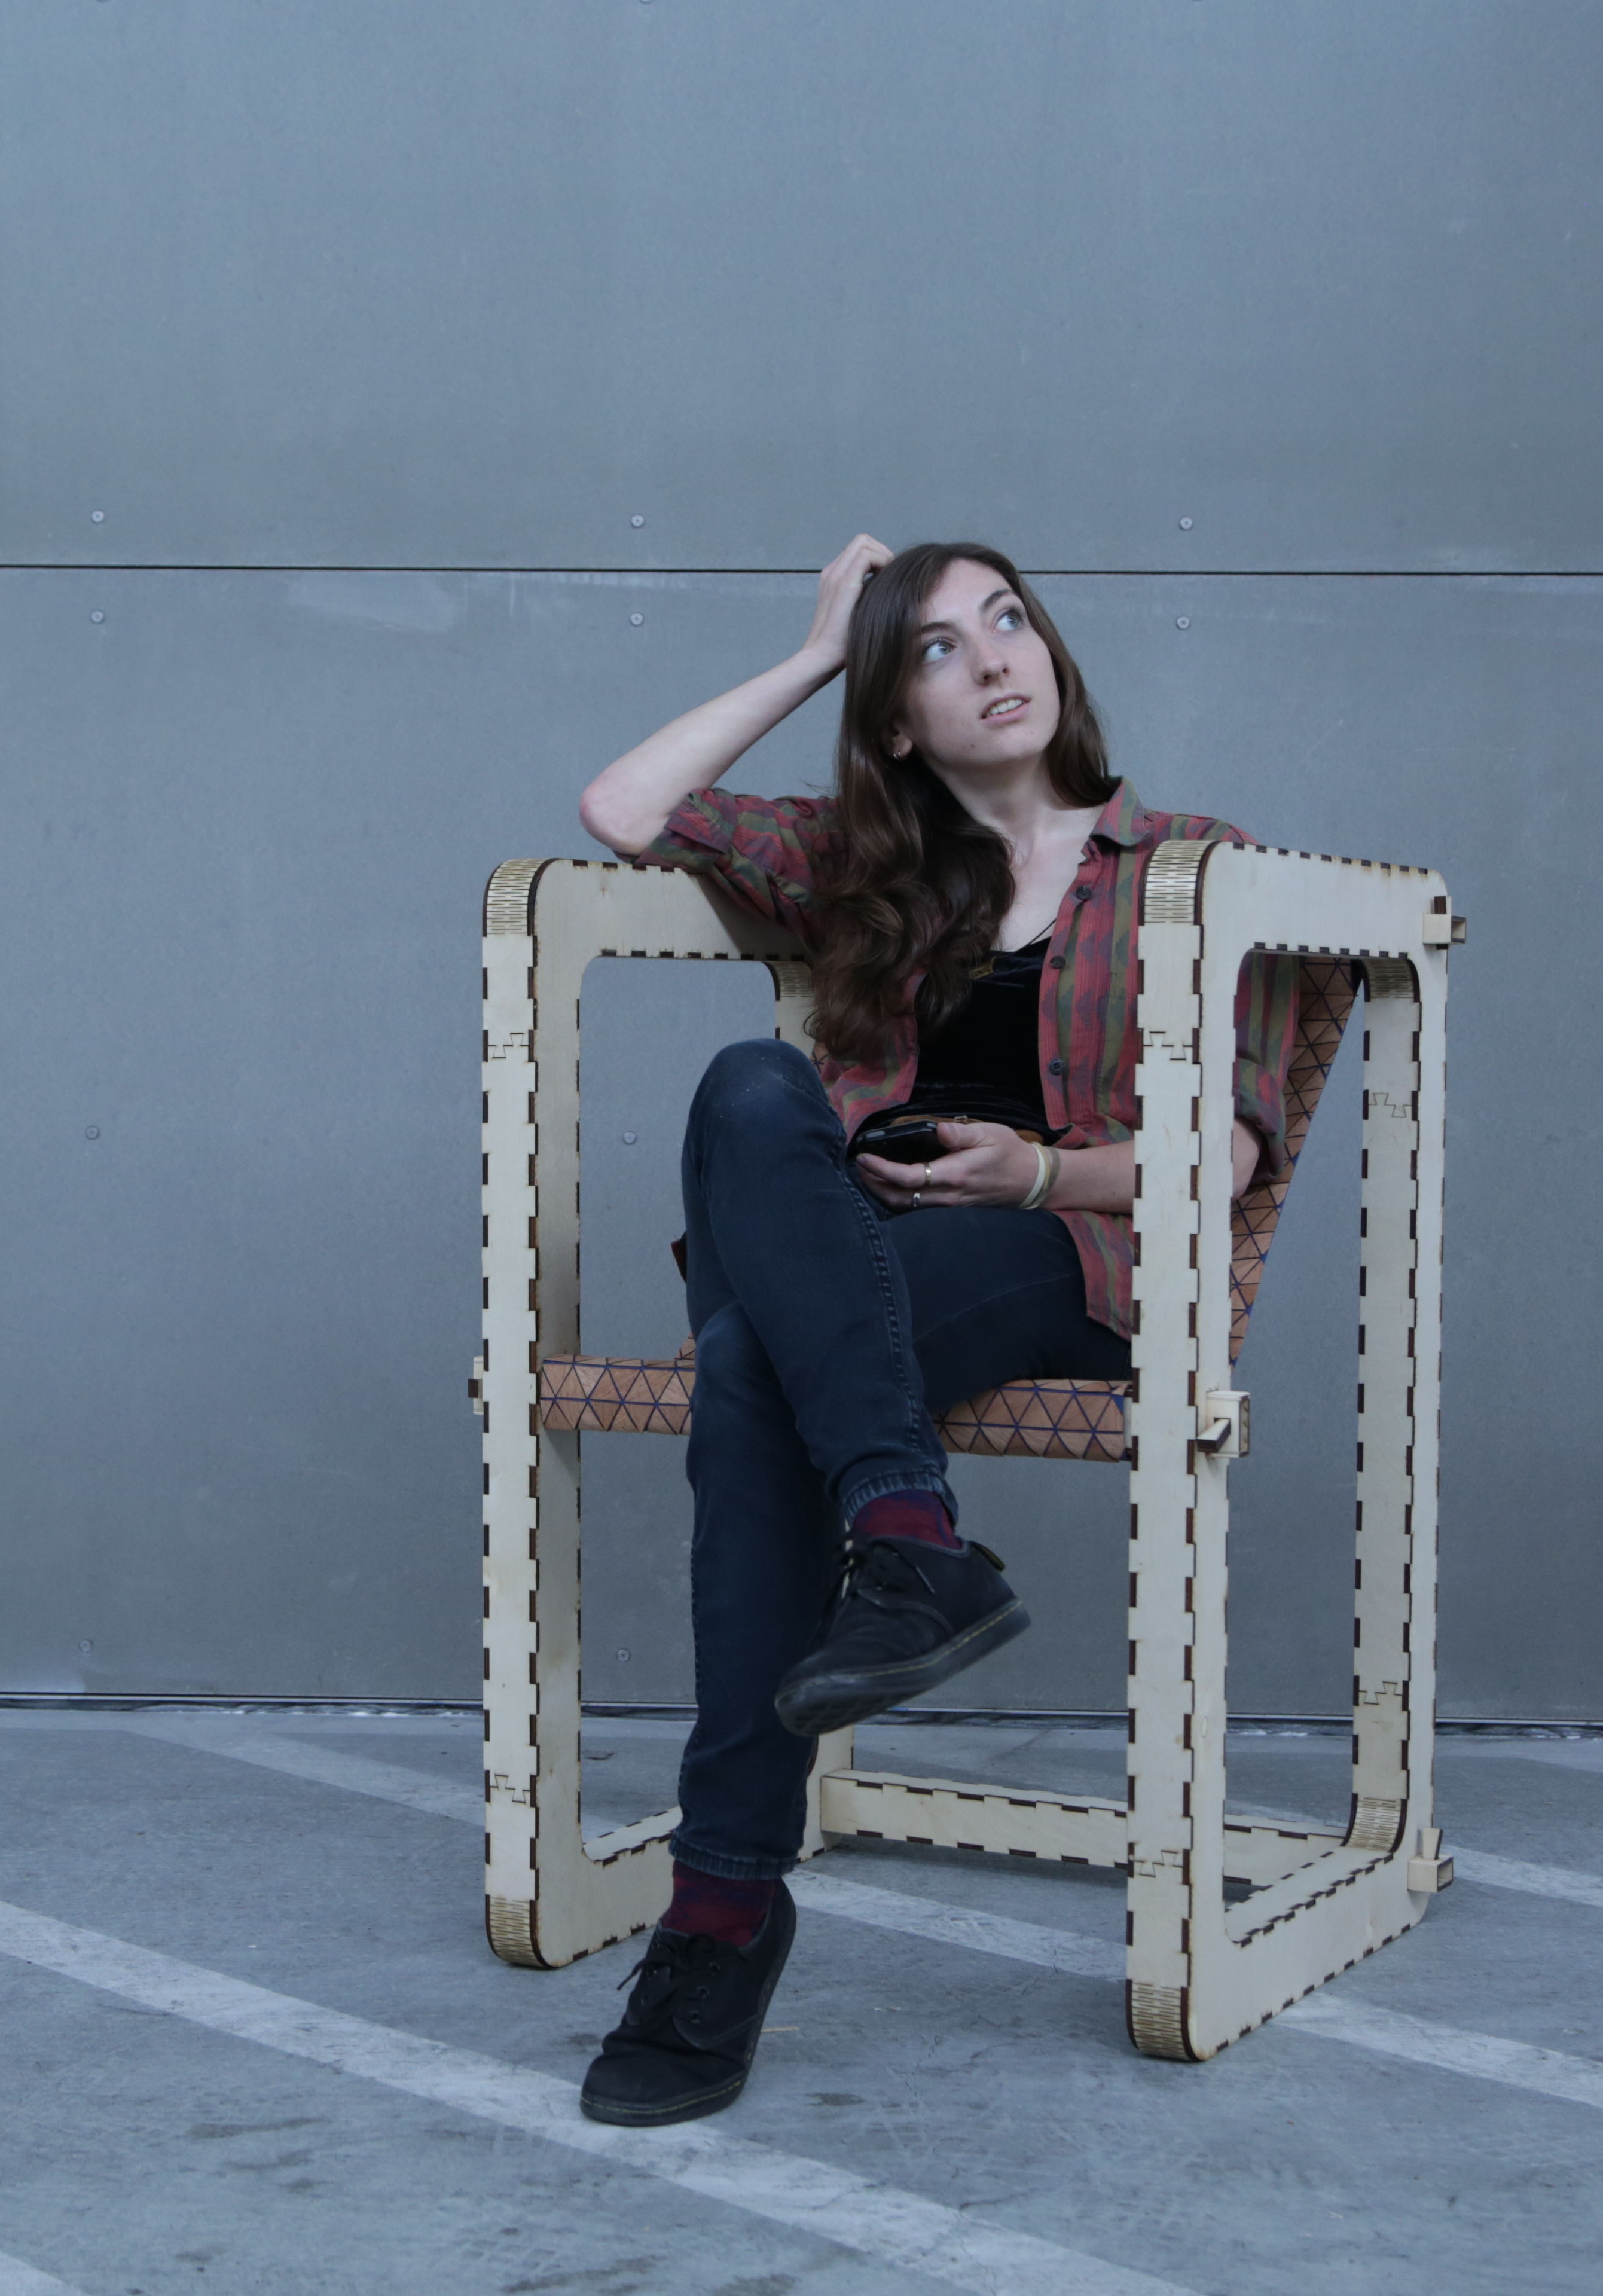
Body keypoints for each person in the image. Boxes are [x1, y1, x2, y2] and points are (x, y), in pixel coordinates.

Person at [569, 537, 1294, 2127]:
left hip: (1049, 1252)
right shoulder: (860, 865)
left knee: (754, 1372)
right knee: (744, 1087)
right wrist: (823, 649)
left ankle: (718, 1905)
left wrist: (1026, 1167)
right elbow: (623, 811)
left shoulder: (1187, 865)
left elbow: (1223, 1154)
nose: (994, 660)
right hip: (840, 1245)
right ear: (896, 718)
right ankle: (907, 1540)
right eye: (941, 651)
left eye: (1007, 623)